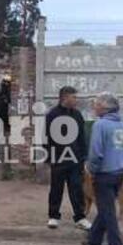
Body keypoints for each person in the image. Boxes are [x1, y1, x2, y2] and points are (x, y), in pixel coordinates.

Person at [83, 92, 123, 245]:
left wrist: (91, 170)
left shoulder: (100, 125)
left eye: (96, 104)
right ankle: (93, 241)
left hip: (104, 173)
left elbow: (96, 152)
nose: (94, 107)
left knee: (107, 212)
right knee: (105, 207)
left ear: (104, 107)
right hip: (120, 172)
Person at [44, 86, 92, 231]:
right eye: (74, 97)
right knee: (56, 188)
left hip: (75, 159)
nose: (76, 100)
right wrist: (48, 156)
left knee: (77, 188)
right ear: (65, 97)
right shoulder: (52, 115)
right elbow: (46, 137)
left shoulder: (77, 115)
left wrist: (84, 156)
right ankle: (53, 216)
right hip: (58, 158)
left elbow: (82, 137)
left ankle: (80, 217)